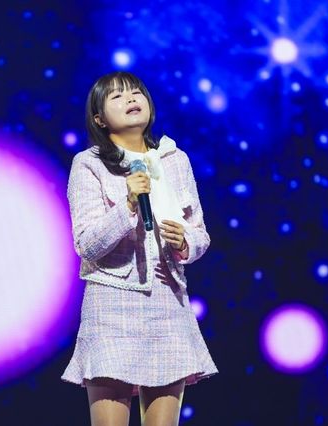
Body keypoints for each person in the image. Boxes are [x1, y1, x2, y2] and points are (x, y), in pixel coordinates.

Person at [61, 71, 218, 426]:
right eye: (116, 97)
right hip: (112, 307)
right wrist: (129, 204)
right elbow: (87, 244)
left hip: (168, 303)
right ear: (99, 119)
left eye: (136, 93)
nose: (131, 99)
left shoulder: (174, 159)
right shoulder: (89, 164)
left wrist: (185, 242)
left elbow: (200, 234)